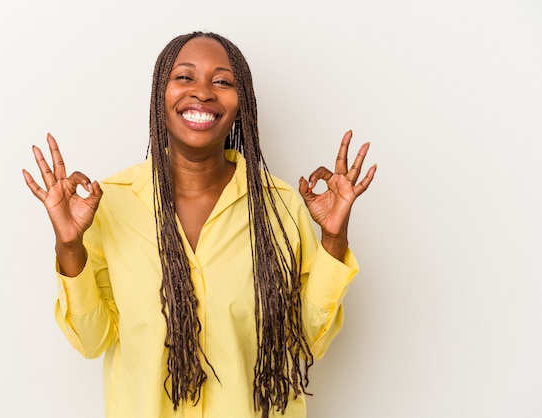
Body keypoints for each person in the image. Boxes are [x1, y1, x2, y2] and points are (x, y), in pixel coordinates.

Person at [23, 31, 376, 418]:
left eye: (222, 81)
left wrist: (333, 238)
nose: (203, 93)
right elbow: (92, 340)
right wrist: (69, 246)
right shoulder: (108, 204)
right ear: (161, 95)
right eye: (185, 77)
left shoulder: (280, 207)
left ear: (242, 105)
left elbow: (306, 340)